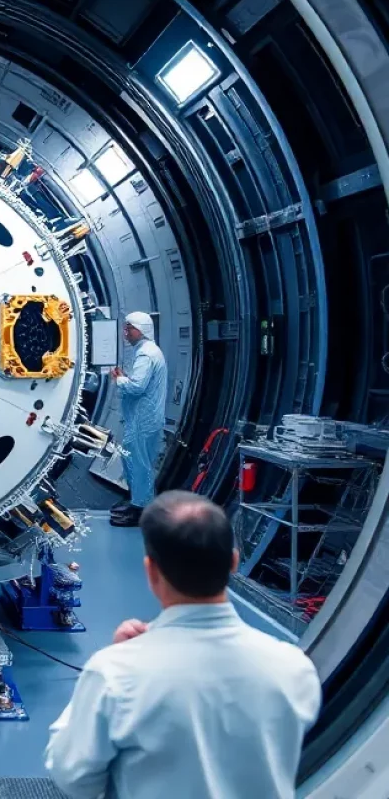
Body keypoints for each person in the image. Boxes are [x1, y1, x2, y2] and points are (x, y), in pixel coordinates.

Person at [46, 491, 321, 799]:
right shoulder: (294, 668)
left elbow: (73, 777)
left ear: (151, 571)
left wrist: (110, 665)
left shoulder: (115, 675)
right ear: (233, 562)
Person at [109, 312, 167, 527]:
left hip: (143, 420)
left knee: (139, 463)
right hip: (143, 419)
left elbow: (136, 387)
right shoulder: (147, 351)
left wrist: (119, 379)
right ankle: (137, 502)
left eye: (129, 328)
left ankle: (142, 510)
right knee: (133, 460)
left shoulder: (146, 354)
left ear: (141, 330)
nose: (125, 333)